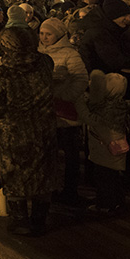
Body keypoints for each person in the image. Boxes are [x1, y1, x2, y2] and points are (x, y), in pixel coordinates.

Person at [0, 27, 58, 235]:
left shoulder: (1, 75)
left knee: (15, 175)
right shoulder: (45, 63)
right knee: (43, 174)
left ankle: (21, 220)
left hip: (14, 134)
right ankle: (40, 219)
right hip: (44, 129)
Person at [38, 17, 89, 206]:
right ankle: (52, 187)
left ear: (58, 35)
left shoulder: (70, 54)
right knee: (49, 151)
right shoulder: (38, 52)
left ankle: (70, 189)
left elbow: (81, 79)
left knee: (70, 152)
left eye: (48, 34)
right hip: (47, 109)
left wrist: (66, 95)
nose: (44, 37)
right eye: (42, 33)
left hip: (66, 110)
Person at [85, 70, 130, 214]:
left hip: (104, 146)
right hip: (120, 145)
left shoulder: (101, 106)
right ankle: (118, 202)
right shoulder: (126, 104)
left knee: (102, 176)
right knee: (115, 176)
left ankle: (104, 204)